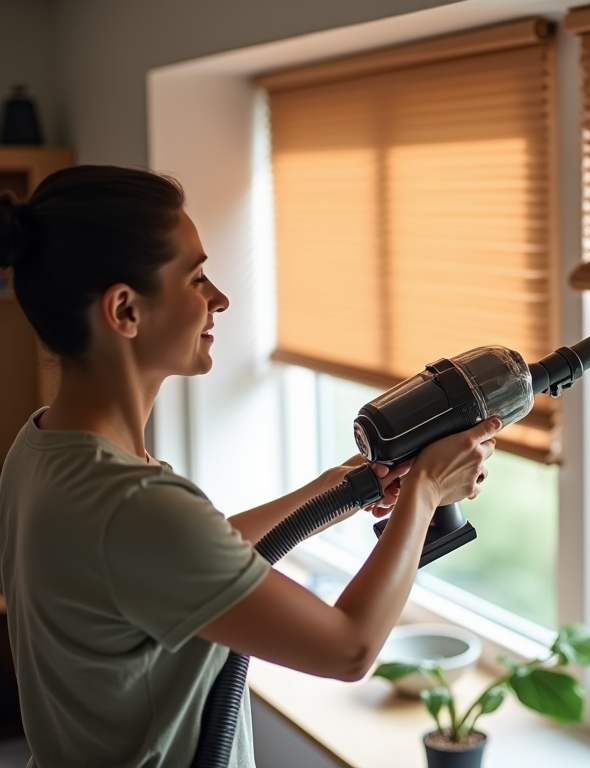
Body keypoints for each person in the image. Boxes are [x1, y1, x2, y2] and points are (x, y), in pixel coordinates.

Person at [0, 165, 499, 767]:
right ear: (125, 310)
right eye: (197, 278)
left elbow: (173, 562)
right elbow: (349, 649)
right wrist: (423, 493)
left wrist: (329, 491)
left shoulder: (41, 449)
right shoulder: (134, 505)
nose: (220, 299)